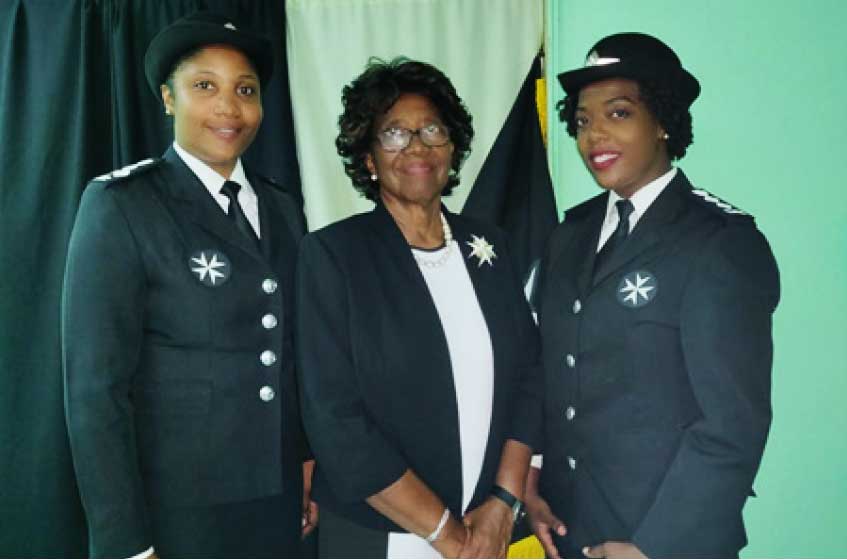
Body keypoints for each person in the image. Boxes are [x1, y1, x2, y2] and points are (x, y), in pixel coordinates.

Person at [62, 11, 315, 558]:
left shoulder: (283, 208)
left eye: (245, 90)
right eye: (205, 86)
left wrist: (304, 462)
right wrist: (124, 540)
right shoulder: (122, 204)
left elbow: (289, 355)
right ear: (168, 98)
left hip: (274, 501)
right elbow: (94, 390)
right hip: (174, 510)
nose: (229, 107)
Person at [524, 33, 780, 559]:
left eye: (618, 113)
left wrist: (651, 547)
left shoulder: (720, 242)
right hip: (569, 532)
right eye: (582, 119)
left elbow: (734, 423)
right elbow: (551, 372)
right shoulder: (568, 236)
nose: (594, 134)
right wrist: (534, 477)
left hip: (669, 540)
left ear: (662, 120)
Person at [295, 57, 542, 559]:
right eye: (393, 134)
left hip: (490, 530)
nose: (417, 146)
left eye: (431, 129)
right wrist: (450, 537)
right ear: (368, 157)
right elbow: (335, 420)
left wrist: (503, 504)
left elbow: (531, 378)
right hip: (380, 535)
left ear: (452, 145)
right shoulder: (333, 256)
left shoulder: (491, 245)